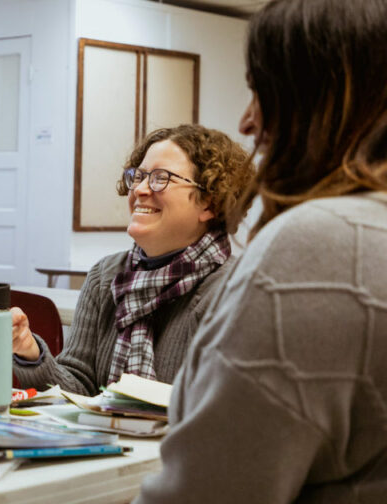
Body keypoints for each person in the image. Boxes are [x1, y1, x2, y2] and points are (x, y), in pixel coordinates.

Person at [136, 0, 387, 501]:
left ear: (316, 98)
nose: (247, 123)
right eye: (139, 176)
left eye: (260, 91)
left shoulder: (318, 246)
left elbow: (207, 490)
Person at [11, 124, 254, 394]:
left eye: (161, 178)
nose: (139, 189)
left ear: (209, 203)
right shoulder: (105, 276)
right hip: (106, 435)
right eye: (138, 176)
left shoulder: (235, 290)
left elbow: (224, 408)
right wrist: (30, 353)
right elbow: (79, 387)